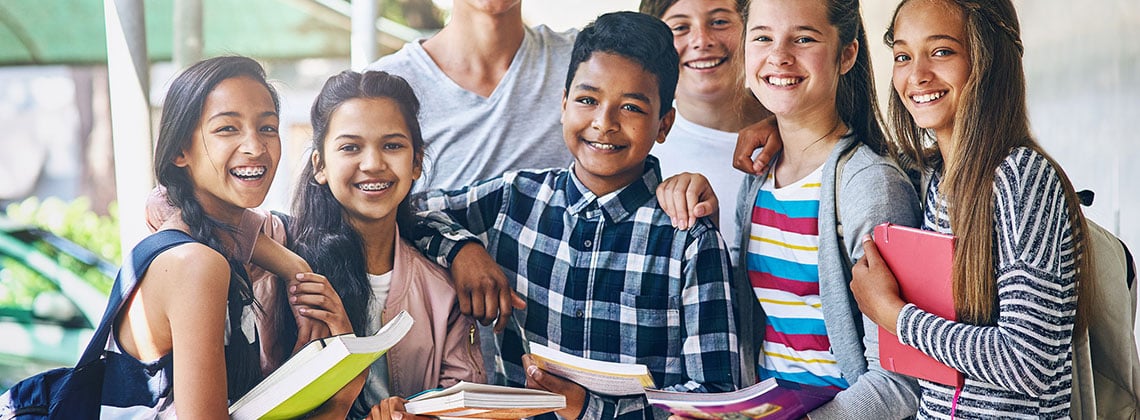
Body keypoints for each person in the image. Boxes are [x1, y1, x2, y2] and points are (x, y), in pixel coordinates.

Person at [407, 12, 738, 419]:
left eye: (631, 107)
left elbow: (715, 400)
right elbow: (408, 212)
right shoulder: (515, 198)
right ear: (563, 105)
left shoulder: (689, 239)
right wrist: (463, 250)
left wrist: (586, 409)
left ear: (664, 124)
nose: (604, 123)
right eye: (587, 100)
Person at [665, 0, 922, 416]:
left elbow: (900, 382)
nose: (779, 56)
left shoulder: (869, 186)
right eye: (763, 37)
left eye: (803, 39)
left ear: (847, 54)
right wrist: (703, 231)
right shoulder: (760, 172)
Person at [850, 0, 1092, 418]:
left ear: (988, 60)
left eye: (941, 51)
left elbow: (1027, 363)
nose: (917, 75)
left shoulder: (1022, 177)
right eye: (903, 56)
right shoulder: (933, 178)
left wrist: (895, 315)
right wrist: (775, 128)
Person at [115, 56, 356, 417]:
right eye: (228, 129)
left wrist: (296, 269)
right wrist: (340, 399)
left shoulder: (210, 247)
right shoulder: (195, 265)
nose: (255, 147)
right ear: (181, 150)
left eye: (268, 128)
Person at [277, 69, 485, 419]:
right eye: (350, 147)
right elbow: (178, 207)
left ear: (416, 161)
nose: (373, 164)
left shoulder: (444, 289)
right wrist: (294, 267)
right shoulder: (284, 253)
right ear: (320, 165)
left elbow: (466, 406)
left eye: (392, 145)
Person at [638, 0, 772, 260]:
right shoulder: (638, 146)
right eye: (680, 27)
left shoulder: (794, 127)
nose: (702, 40)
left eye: (719, 22)